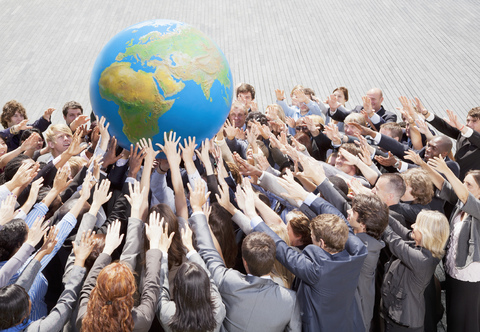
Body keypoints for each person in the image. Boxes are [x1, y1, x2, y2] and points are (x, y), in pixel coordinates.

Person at [187, 178, 301, 332]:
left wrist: (197, 209)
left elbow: (209, 252)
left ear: (244, 262)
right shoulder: (290, 299)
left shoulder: (228, 280)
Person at [77, 216, 163, 332]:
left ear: (98, 289)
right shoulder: (139, 321)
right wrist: (154, 244)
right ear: (130, 291)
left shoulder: (84, 318)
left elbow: (87, 286)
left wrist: (107, 250)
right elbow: (151, 287)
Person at [381, 210, 449, 331]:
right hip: (397, 317)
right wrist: (381, 211)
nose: (412, 225)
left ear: (426, 232)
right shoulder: (426, 248)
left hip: (404, 324)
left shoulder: (422, 259)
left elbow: (394, 240)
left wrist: (377, 217)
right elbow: (399, 228)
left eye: (417, 224)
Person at [156, 225, 226, 332]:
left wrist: (163, 253)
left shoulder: (168, 313)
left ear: (177, 288)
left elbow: (161, 291)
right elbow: (210, 281)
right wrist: (191, 248)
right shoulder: (217, 311)